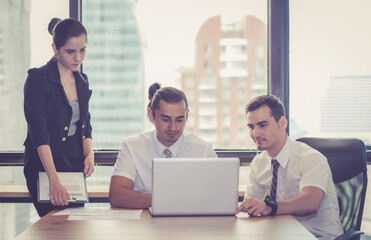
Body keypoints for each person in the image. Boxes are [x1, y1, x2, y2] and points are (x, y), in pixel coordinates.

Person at [235, 95, 343, 240]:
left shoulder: (310, 158)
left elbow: (310, 202)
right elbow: (252, 206)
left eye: (263, 125)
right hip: (282, 235)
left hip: (318, 236)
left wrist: (269, 207)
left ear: (282, 123)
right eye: (251, 127)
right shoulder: (259, 163)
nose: (255, 134)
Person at [23, 18, 94, 217]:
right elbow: (39, 134)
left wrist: (90, 154)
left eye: (83, 50)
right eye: (70, 51)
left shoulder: (82, 80)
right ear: (55, 47)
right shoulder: (38, 79)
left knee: (74, 228)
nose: (78, 58)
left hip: (73, 165)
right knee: (53, 228)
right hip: (44, 167)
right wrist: (53, 180)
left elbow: (86, 127)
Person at [109, 82, 217, 208]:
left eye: (179, 120)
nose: (173, 127)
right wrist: (168, 201)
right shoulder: (132, 147)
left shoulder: (203, 150)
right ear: (151, 115)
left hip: (190, 225)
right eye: (165, 119)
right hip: (145, 225)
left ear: (187, 115)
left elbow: (219, 194)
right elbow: (117, 195)